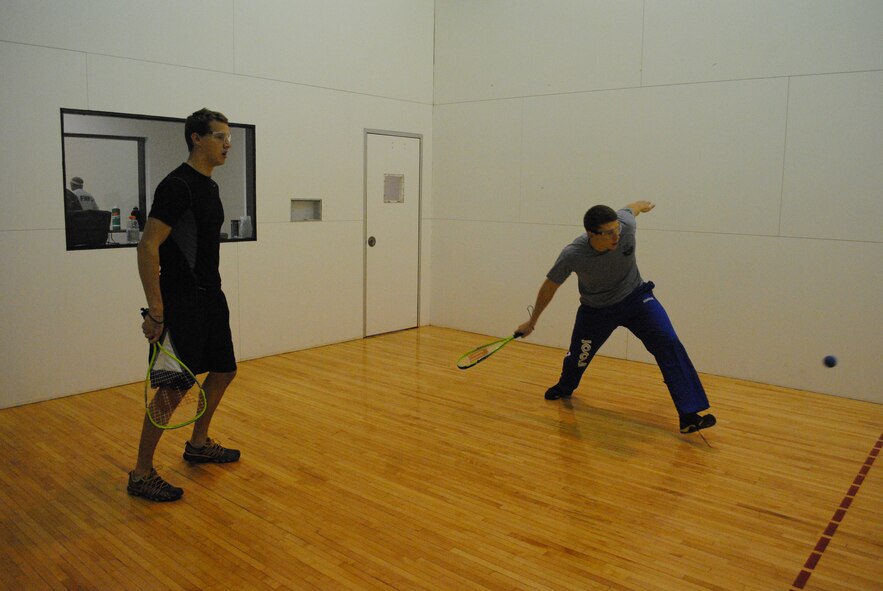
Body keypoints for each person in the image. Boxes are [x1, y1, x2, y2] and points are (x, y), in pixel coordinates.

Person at [515, 202, 716, 434]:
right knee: (578, 356)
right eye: (609, 233)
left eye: (617, 230)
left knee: (668, 343)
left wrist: (643, 205)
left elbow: (633, 208)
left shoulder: (626, 225)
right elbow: (550, 287)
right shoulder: (573, 254)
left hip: (636, 300)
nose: (616, 236)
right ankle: (566, 386)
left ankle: (689, 415)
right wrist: (532, 322)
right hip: (596, 310)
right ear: (591, 234)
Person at [128, 108, 239, 502]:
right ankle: (141, 473)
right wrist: (156, 311)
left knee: (225, 370)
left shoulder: (209, 187)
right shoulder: (177, 186)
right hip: (182, 300)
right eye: (220, 136)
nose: (227, 144)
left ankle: (198, 443)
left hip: (212, 296)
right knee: (173, 389)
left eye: (229, 137)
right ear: (196, 138)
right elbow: (148, 246)